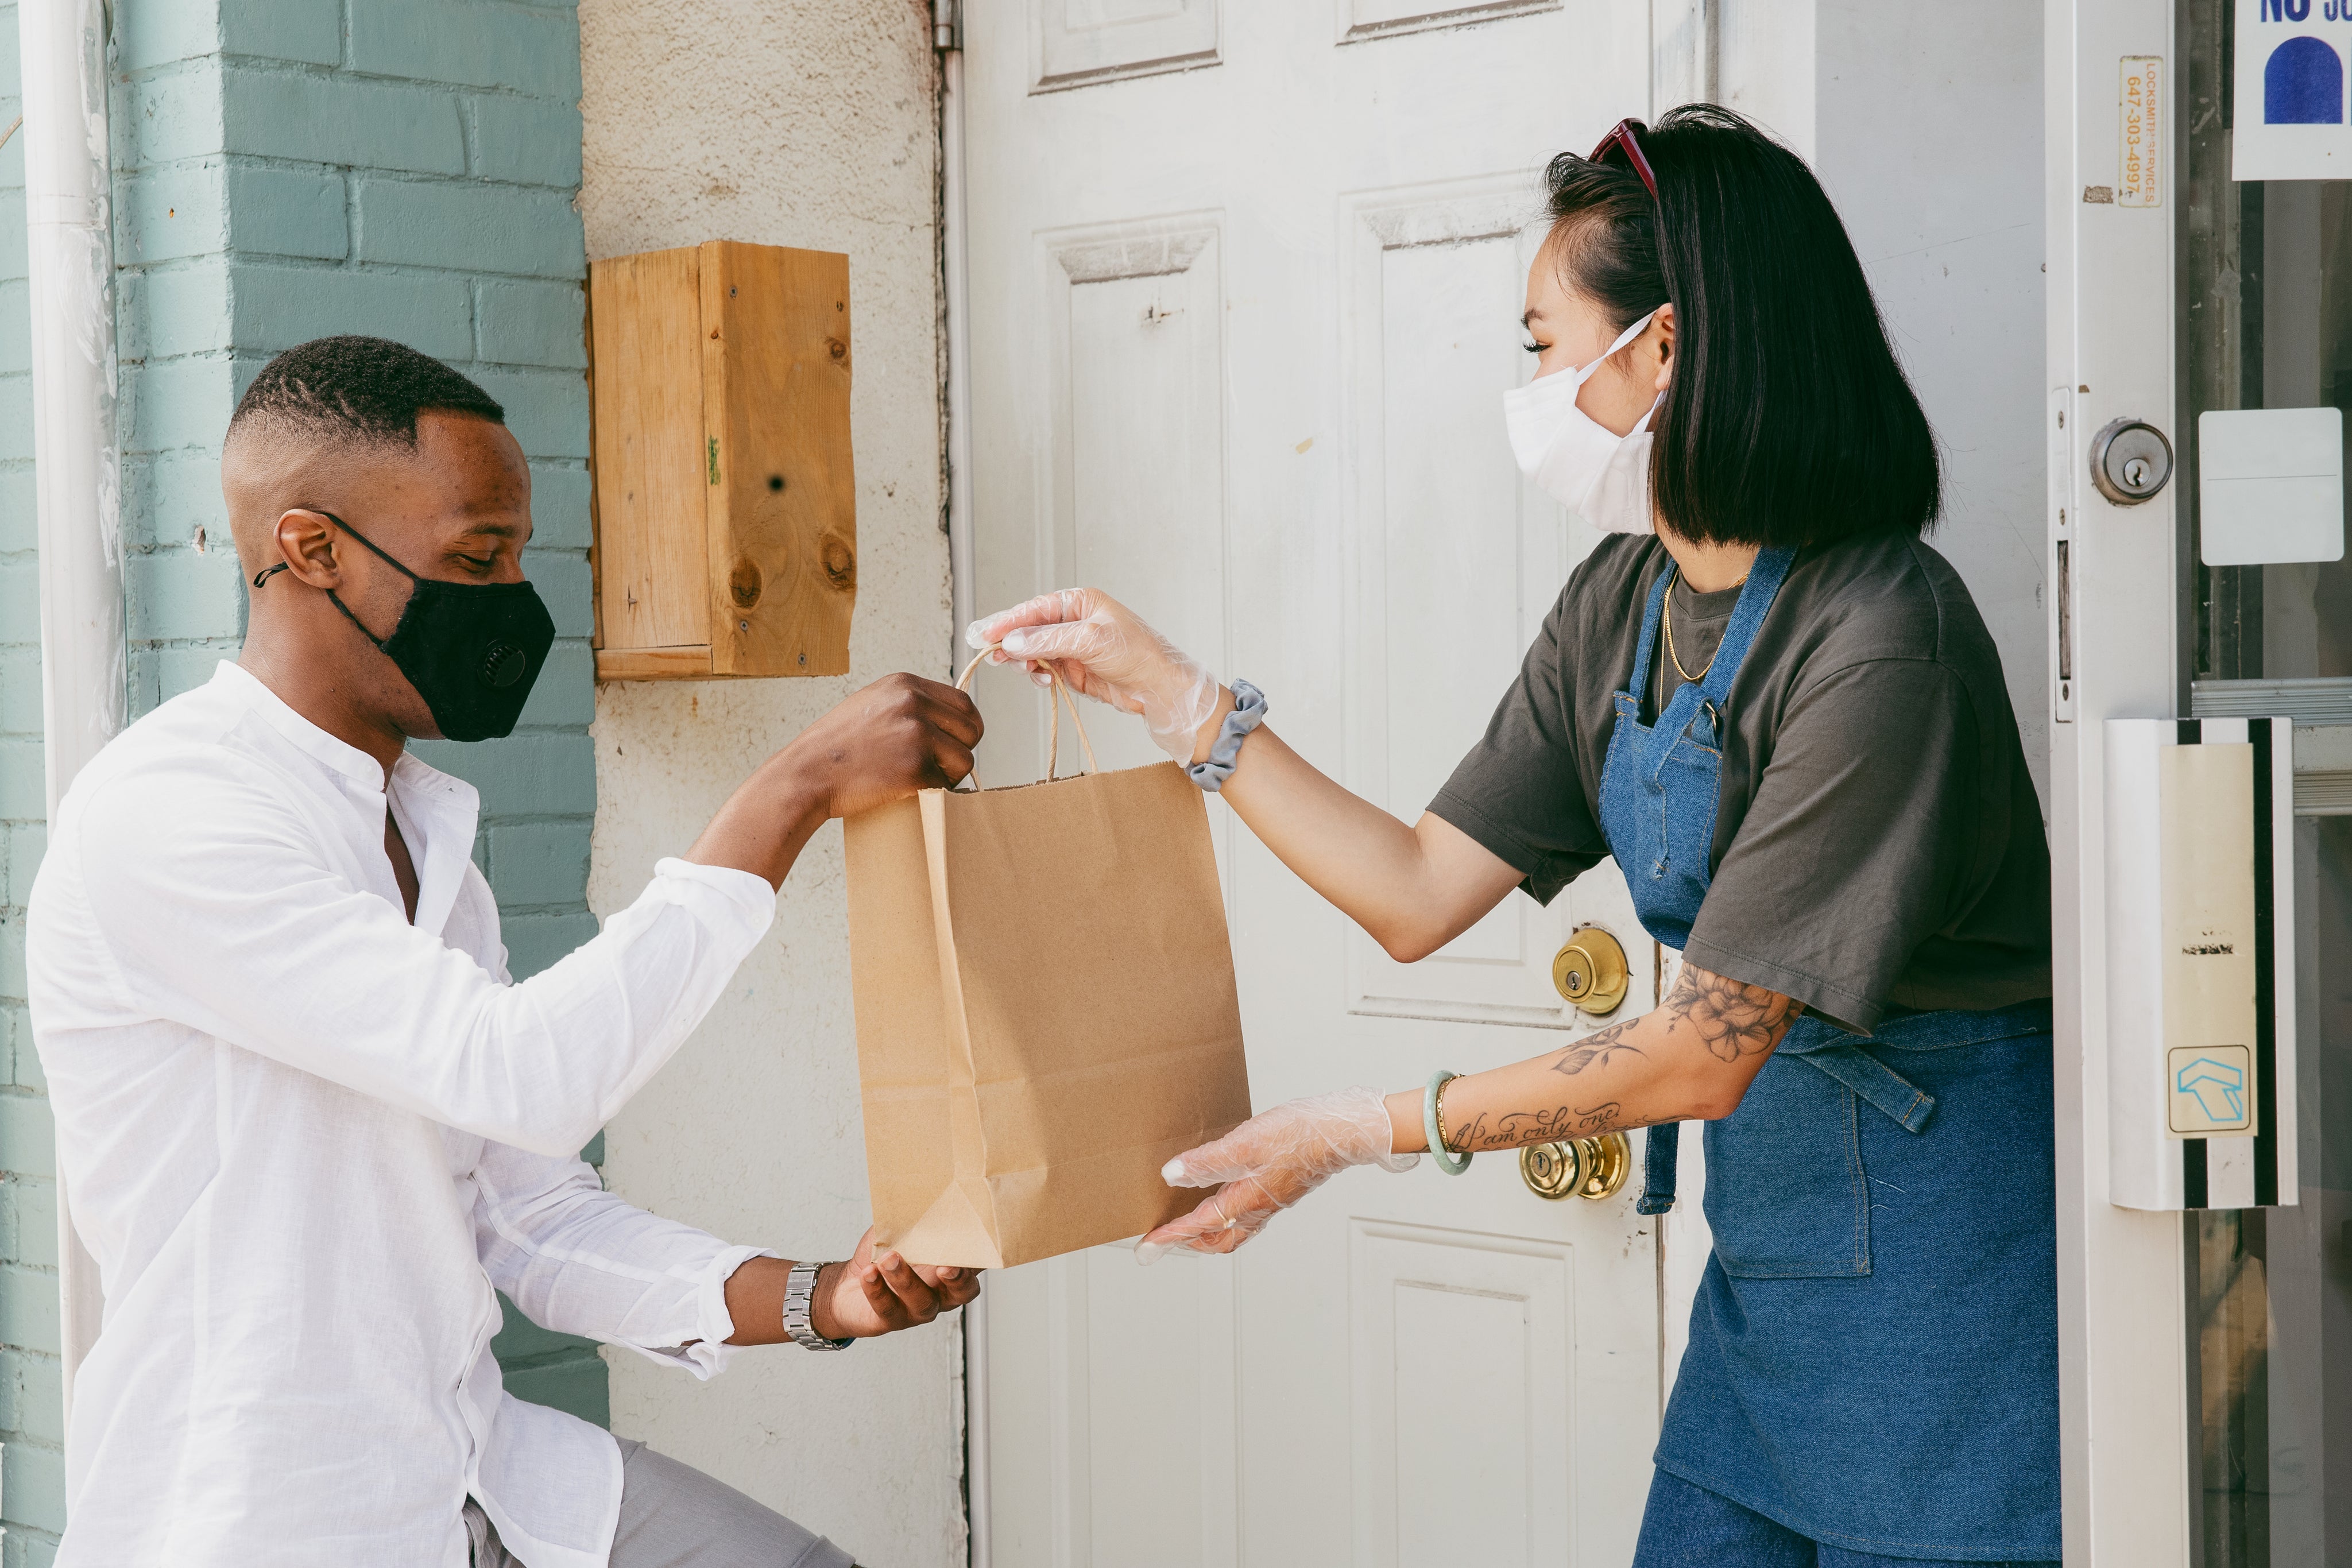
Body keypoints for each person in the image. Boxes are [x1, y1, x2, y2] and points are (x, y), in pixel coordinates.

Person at [971, 107, 2058, 1566]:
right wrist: (1180, 701)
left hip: (1943, 1315)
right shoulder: (1620, 601)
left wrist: (1365, 1129)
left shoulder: (1880, 640)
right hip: (1774, 1296)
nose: (1534, 383)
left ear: (1661, 349)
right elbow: (1415, 890)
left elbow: (1703, 1046)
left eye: (1548, 343)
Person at [26, 336, 984, 1568]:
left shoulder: (422, 832)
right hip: (272, 1507)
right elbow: (522, 1072)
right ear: (310, 549)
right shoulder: (171, 812)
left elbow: (522, 1215)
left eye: (518, 553)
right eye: (475, 558)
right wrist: (790, 790)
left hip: (483, 1465)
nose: (510, 593)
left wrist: (816, 1296)